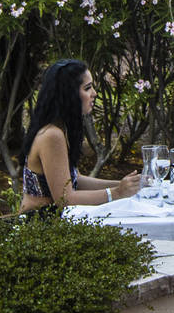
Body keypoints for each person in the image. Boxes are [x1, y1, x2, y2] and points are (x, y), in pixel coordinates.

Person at [19, 59, 142, 213]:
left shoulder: (61, 128)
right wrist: (116, 193)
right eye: (87, 88)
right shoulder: (51, 135)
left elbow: (77, 180)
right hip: (41, 223)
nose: (94, 94)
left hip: (56, 219)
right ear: (68, 94)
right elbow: (65, 199)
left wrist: (126, 185)